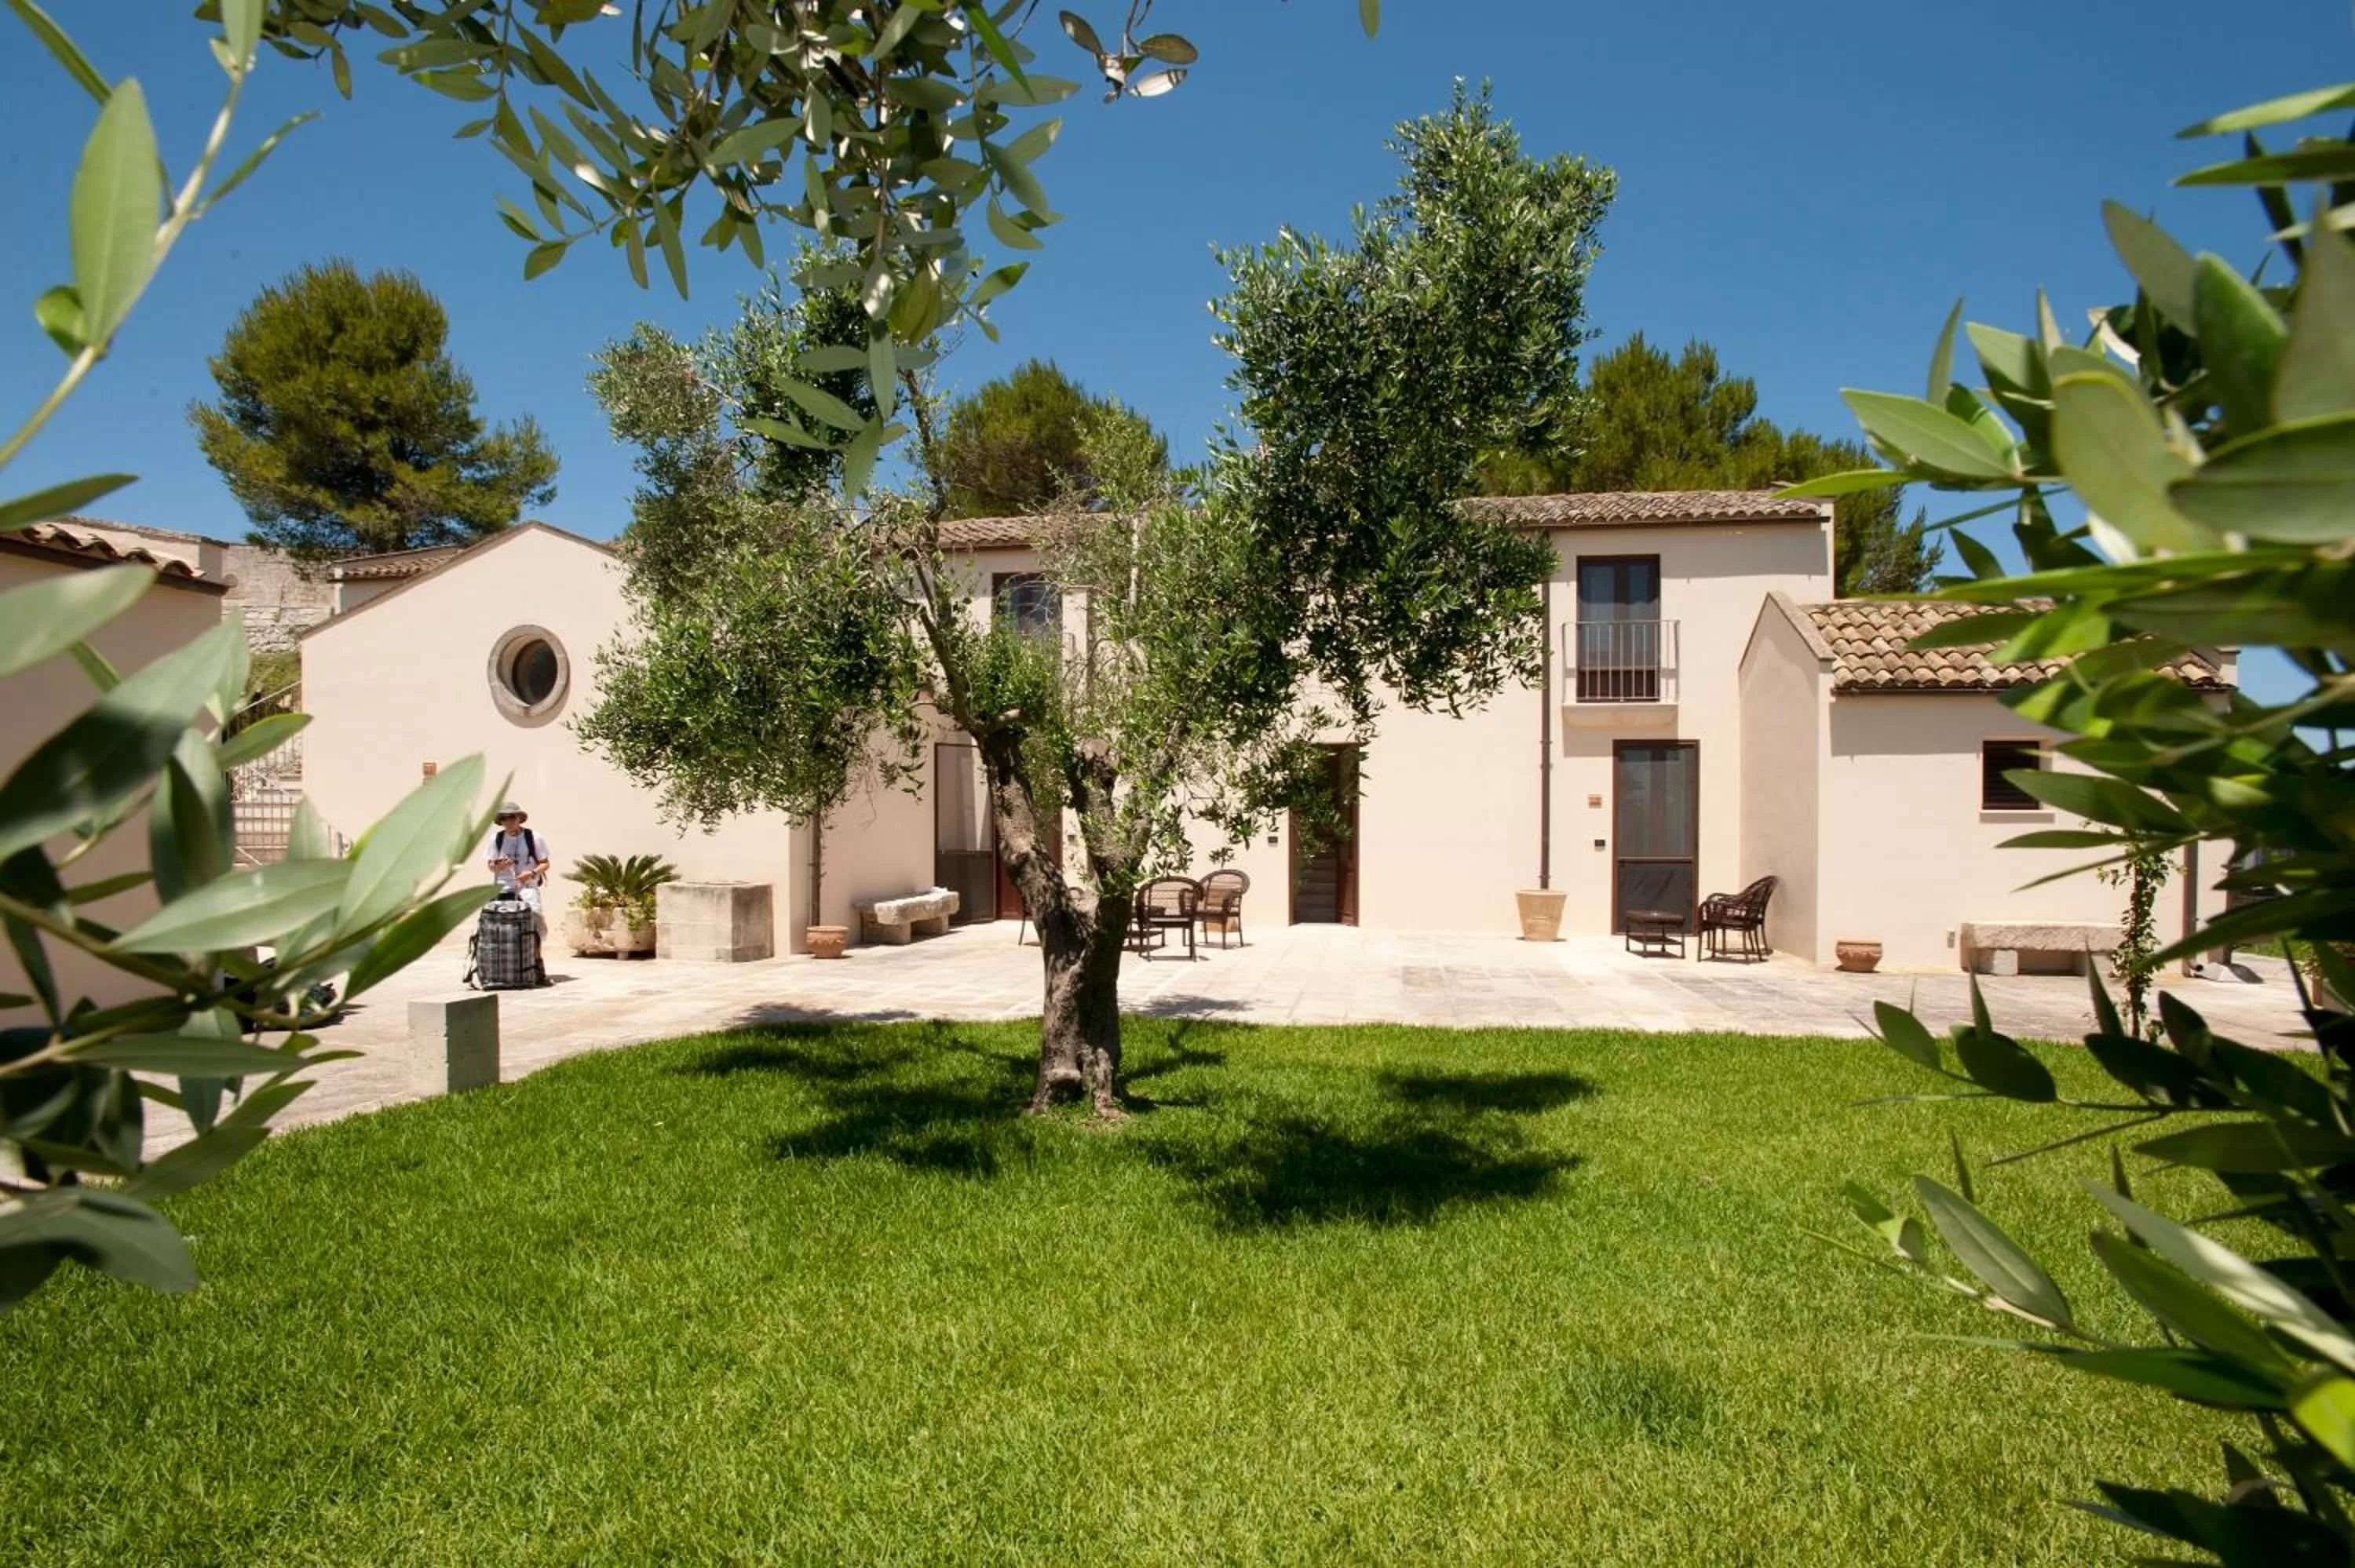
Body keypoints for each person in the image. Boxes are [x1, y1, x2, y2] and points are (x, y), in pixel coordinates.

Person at [486, 802, 554, 932]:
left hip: (528, 888)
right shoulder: (496, 839)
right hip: (503, 889)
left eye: (512, 817)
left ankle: (535, 951)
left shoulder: (533, 837)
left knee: (535, 921)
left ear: (519, 818)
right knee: (501, 927)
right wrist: (499, 866)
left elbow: (545, 863)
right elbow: (491, 867)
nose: (508, 821)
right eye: (504, 818)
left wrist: (531, 873)